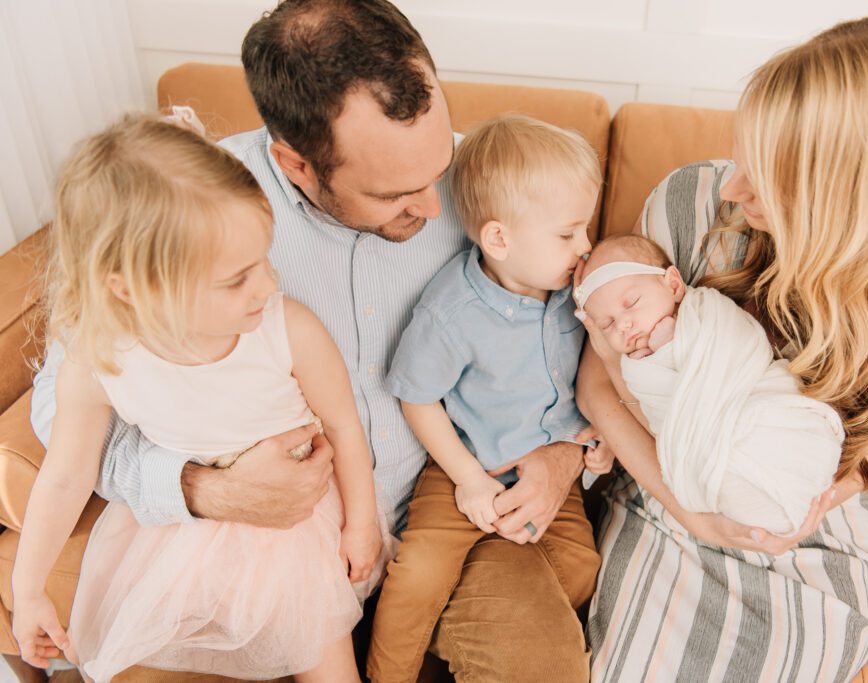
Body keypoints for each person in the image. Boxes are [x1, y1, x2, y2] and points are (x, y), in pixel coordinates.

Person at [28, 1, 599, 679]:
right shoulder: (198, 215)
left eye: (438, 165)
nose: (438, 207)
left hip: (452, 516)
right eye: (396, 194)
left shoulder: (494, 186)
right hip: (250, 551)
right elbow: (60, 409)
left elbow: (598, 328)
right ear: (296, 164)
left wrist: (571, 452)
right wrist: (202, 488)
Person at [577, 17, 868, 682]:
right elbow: (599, 382)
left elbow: (848, 475)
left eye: (765, 180)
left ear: (849, 196)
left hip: (805, 522)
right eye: (743, 157)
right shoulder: (691, 204)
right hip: (668, 479)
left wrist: (771, 527)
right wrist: (696, 515)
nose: (734, 189)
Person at [13, 115, 384, 682]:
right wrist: (29, 587)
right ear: (132, 288)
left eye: (264, 258)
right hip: (178, 533)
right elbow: (65, 477)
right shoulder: (99, 360)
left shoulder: (288, 329)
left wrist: (361, 525)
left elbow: (344, 427)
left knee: (328, 668)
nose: (266, 285)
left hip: (297, 525)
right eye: (235, 278)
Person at [368, 115, 603, 681]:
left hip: (550, 474)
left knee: (582, 569)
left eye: (586, 229)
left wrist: (595, 443)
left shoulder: (576, 292)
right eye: (569, 234)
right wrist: (470, 478)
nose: (586, 246)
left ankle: (471, 601)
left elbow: (601, 379)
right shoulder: (453, 312)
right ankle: (383, 675)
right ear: (499, 238)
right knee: (419, 573)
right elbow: (417, 399)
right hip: (463, 473)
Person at [577, 234, 842, 535]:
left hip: (767, 421)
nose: (623, 324)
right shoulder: (636, 369)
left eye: (632, 303)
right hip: (719, 471)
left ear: (674, 285)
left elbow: (743, 347)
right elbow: (664, 425)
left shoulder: (707, 313)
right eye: (608, 324)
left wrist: (676, 346)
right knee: (729, 476)